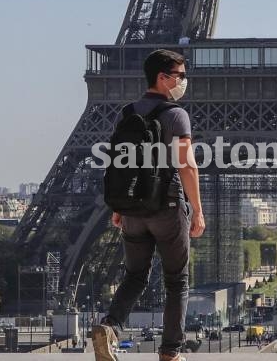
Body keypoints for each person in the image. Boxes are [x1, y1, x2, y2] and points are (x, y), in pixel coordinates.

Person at [92, 49, 206, 361]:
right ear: (162, 77)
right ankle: (170, 352)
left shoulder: (127, 113)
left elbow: (119, 164)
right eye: (180, 75)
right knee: (176, 281)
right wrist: (197, 209)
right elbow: (188, 166)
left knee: (134, 275)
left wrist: (119, 205)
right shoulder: (176, 115)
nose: (184, 81)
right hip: (166, 207)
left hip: (131, 208)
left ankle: (110, 326)